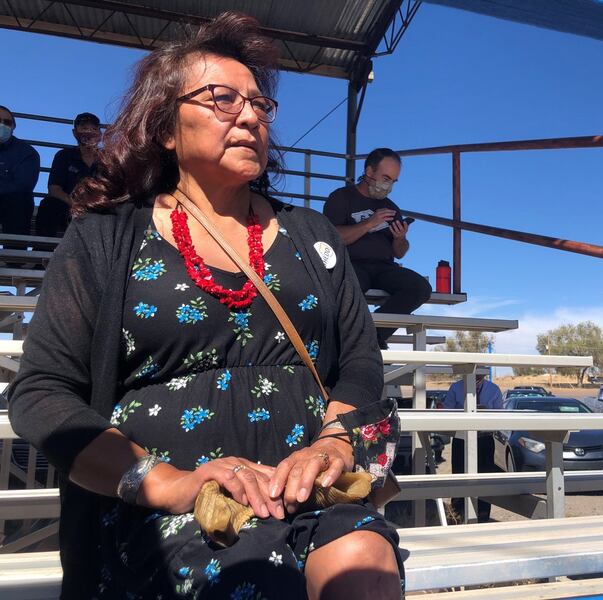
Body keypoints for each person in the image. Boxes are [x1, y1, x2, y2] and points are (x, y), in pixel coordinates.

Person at [9, 13, 402, 600]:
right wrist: (165, 483)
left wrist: (333, 445)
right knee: (256, 581)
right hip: (175, 513)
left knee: (363, 561)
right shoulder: (106, 237)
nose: (248, 115)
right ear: (166, 128)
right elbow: (42, 393)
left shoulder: (312, 236)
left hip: (309, 496)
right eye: (221, 99)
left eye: (259, 106)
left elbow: (361, 362)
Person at [324, 148, 431, 349]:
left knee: (420, 288)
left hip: (384, 267)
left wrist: (400, 238)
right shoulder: (341, 197)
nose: (388, 185)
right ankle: (351, 339)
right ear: (369, 172)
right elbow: (332, 239)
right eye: (385, 177)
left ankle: (372, 337)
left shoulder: (392, 207)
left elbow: (400, 252)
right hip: (351, 263)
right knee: (349, 284)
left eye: (393, 181)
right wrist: (369, 224)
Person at [443, 373, 503, 522]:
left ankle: (483, 515)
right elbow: (446, 411)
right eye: (474, 376)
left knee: (484, 476)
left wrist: (485, 412)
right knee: (459, 474)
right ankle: (457, 515)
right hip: (461, 439)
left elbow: (501, 414)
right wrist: (463, 411)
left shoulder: (493, 389)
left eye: (479, 377)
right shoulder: (456, 388)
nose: (476, 379)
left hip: (484, 439)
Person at [36, 112, 101, 237]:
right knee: (48, 205)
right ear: (75, 132)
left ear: (100, 133)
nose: (89, 132)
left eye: (93, 129)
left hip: (99, 207)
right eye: (84, 128)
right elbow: (54, 189)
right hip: (68, 206)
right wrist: (74, 204)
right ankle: (43, 249)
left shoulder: (108, 160)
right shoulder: (63, 156)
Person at [0, 105, 40, 234]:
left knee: (19, 199)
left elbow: (22, 186)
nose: (2, 125)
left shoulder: (26, 152)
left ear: (13, 127)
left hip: (11, 205)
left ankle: (14, 252)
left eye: (7, 122)